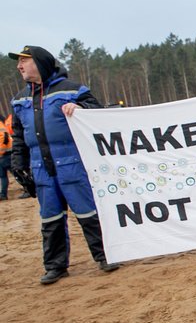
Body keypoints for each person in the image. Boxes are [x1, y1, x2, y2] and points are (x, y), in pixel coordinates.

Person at [8, 45, 120, 284]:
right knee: (50, 219)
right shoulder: (19, 99)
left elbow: (98, 112)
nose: (19, 66)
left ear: (39, 62)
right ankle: (55, 266)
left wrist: (81, 108)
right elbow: (18, 135)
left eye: (23, 61)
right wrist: (19, 164)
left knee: (89, 213)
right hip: (41, 168)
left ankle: (105, 256)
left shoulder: (72, 90)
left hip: (72, 163)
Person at [0, 112, 12, 200]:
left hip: (5, 154)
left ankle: (28, 187)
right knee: (3, 175)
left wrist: (1, 150)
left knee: (16, 172)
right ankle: (3, 194)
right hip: (3, 154)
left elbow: (5, 137)